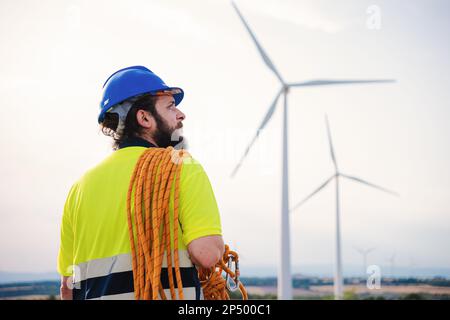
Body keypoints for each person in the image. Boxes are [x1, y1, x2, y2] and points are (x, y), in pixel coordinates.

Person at [57, 66, 224, 300]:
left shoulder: (79, 188)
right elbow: (207, 254)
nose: (180, 114)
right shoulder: (180, 166)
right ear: (144, 117)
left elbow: (67, 286)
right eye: (170, 106)